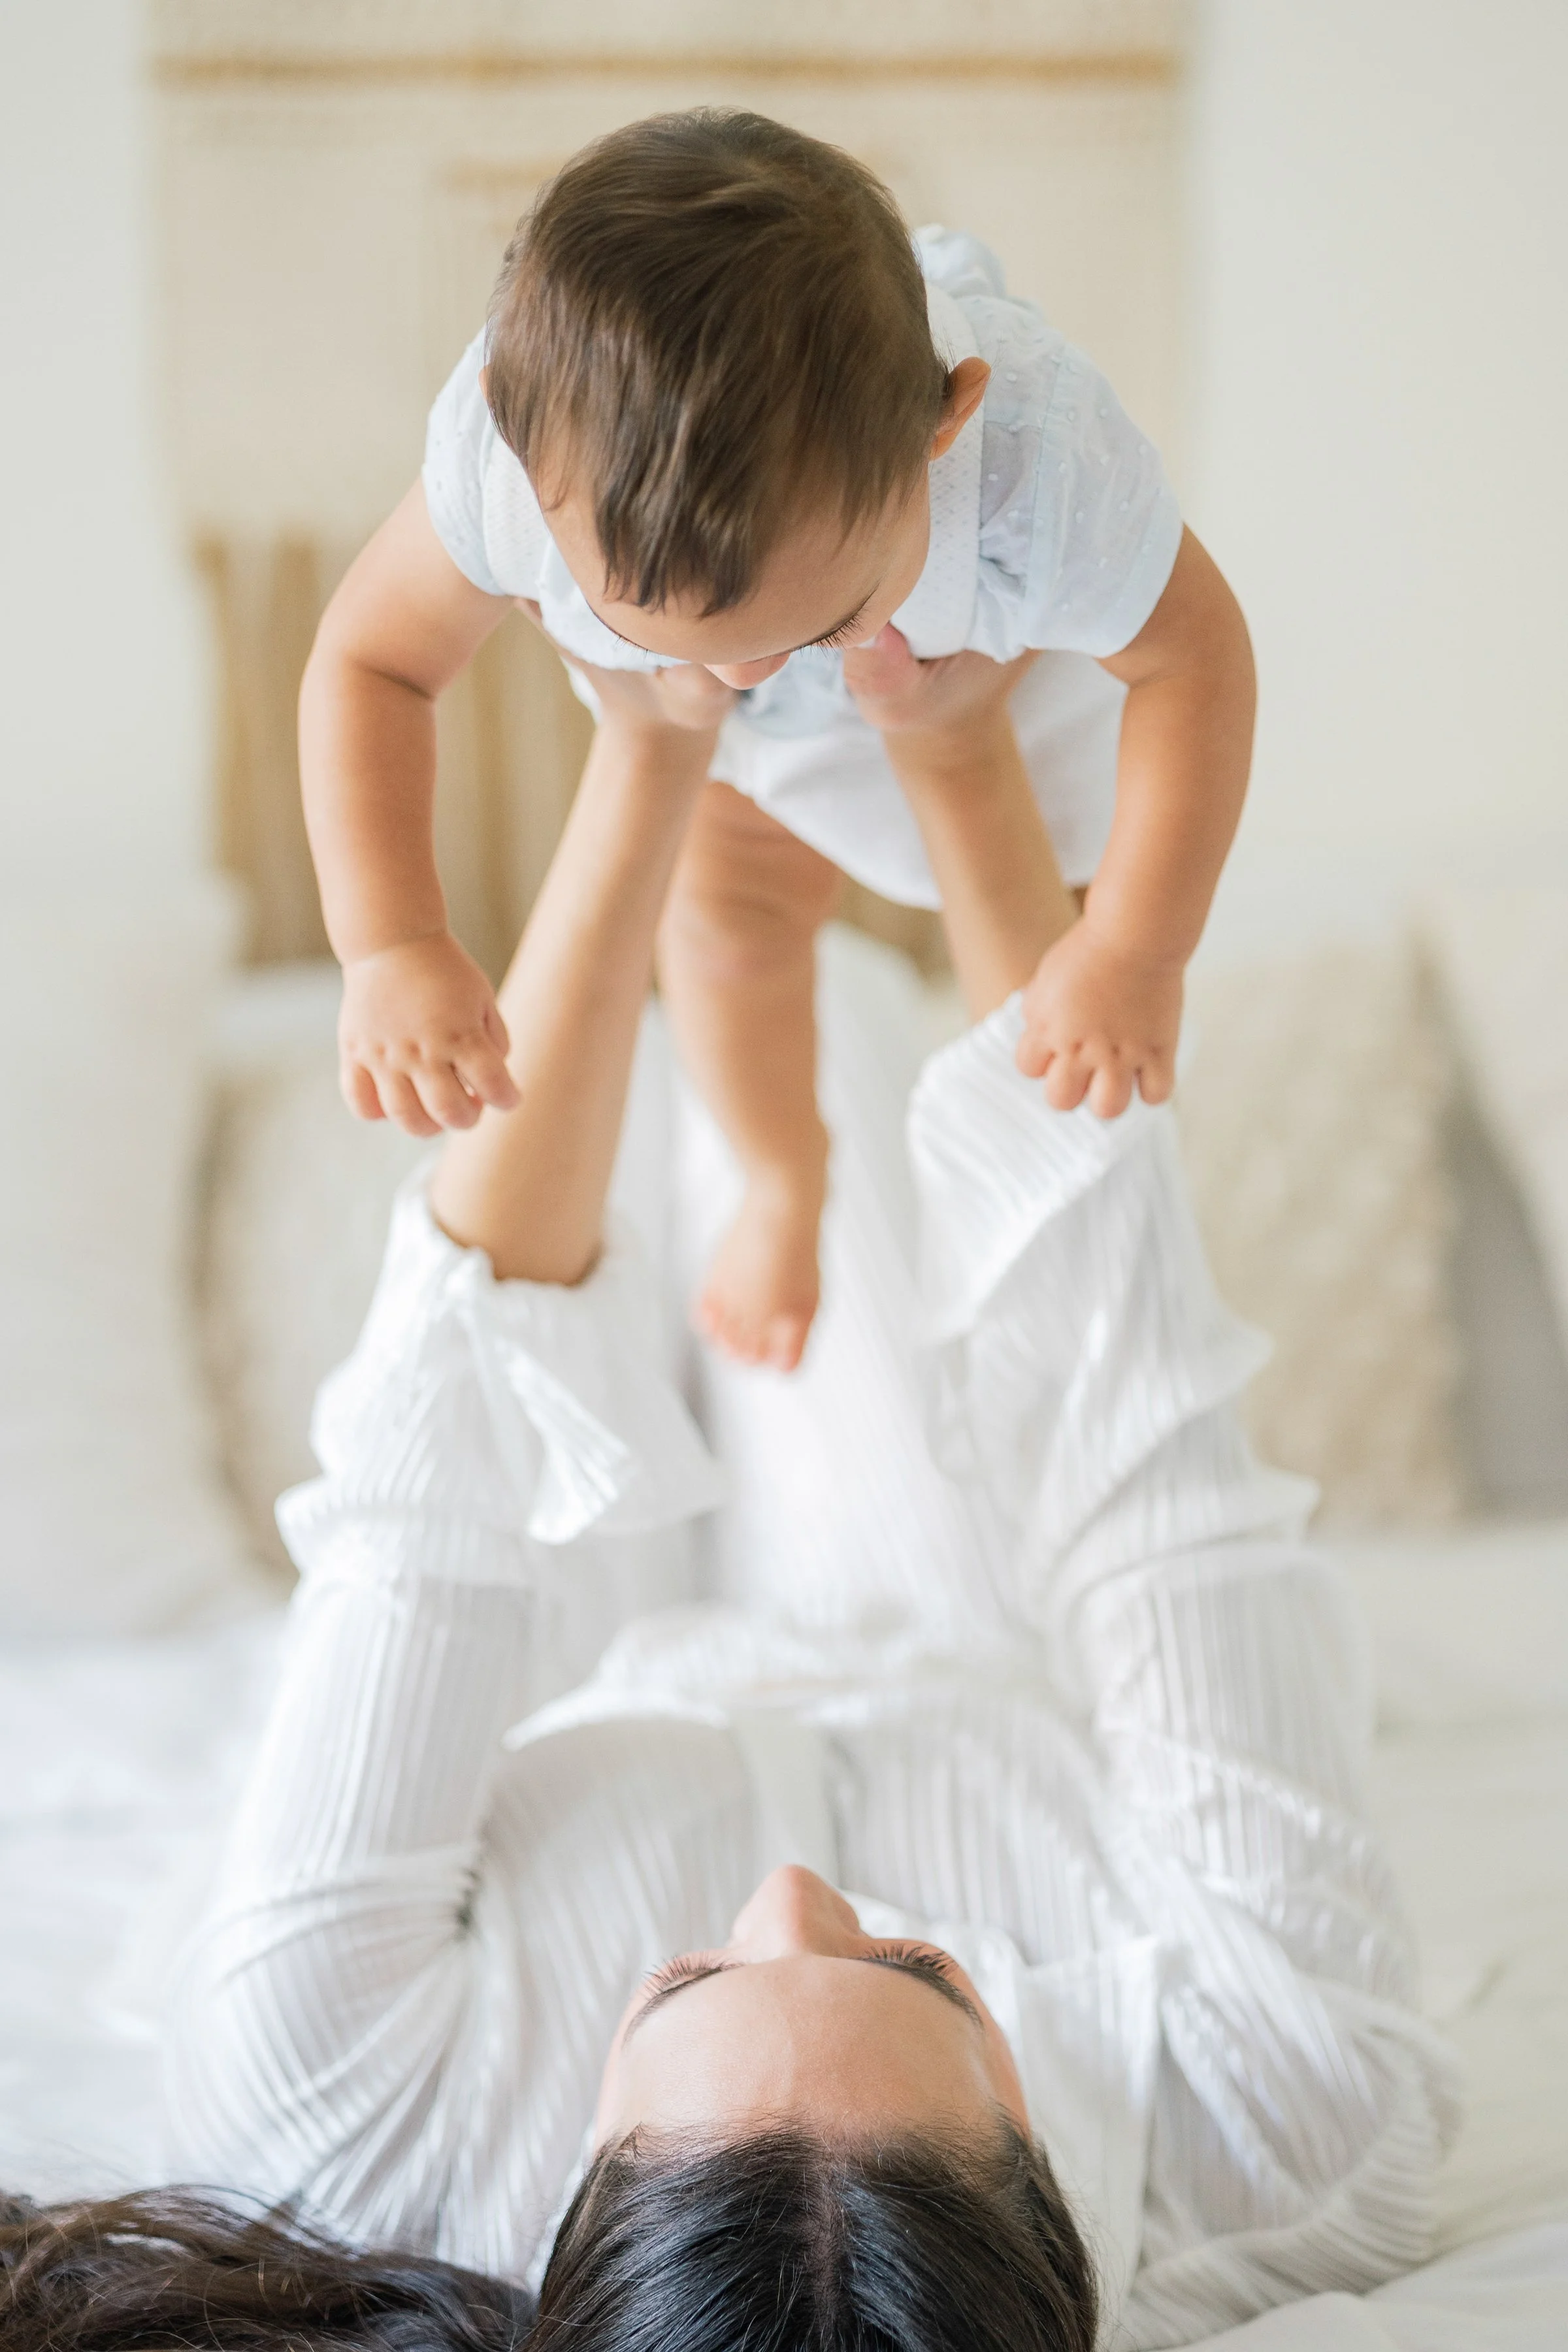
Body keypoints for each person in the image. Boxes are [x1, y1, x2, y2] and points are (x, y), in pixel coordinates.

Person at [3, 645, 1454, 2352]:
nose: (786, 1896)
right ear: (1043, 2174)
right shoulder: (1295, 2117)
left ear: (576, 2196)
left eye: (688, 1983)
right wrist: (960, 748)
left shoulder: (326, 2125)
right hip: (959, 1649)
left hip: (553, 1692)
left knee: (618, 1147)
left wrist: (641, 754)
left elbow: (441, 1466)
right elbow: (1135, 1439)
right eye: (920, 1968)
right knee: (829, 1026)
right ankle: (770, 1028)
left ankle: (721, 978)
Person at [299, 107, 1256, 1371]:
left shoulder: (1039, 462)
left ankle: (1057, 1298)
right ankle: (783, 1176)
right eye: (658, 631)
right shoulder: (504, 460)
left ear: (945, 426)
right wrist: (390, 942)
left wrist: (1138, 948)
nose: (744, 673)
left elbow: (1195, 660)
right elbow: (372, 663)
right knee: (721, 937)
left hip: (1004, 687)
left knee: (1064, 1015)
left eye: (819, 620)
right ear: (520, 453)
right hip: (731, 760)